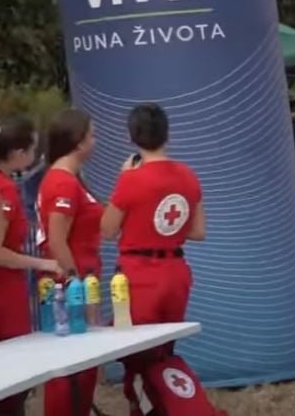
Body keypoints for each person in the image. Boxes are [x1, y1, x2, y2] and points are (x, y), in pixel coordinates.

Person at [99, 103, 219, 414]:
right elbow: (198, 231)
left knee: (137, 353)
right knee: (164, 351)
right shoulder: (187, 175)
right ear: (168, 134)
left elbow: (107, 230)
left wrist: (126, 182)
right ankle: (169, 405)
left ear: (131, 137)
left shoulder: (131, 180)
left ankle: (144, 408)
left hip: (139, 275)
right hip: (175, 272)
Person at [0, 117, 62, 415]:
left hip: (3, 290)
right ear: (18, 153)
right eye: (32, 149)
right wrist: (43, 262)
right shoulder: (2, 189)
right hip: (0, 293)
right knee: (8, 381)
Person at [39, 109, 105, 415]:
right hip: (72, 287)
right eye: (92, 135)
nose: (96, 140)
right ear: (79, 142)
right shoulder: (63, 183)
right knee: (71, 372)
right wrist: (76, 288)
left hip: (81, 280)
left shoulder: (70, 180)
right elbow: (57, 240)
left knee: (82, 369)